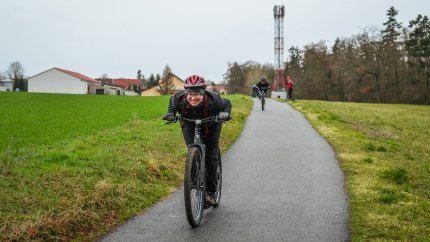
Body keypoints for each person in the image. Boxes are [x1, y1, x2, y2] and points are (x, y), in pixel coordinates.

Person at [162, 74, 232, 205]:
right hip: (188, 123)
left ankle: (211, 192)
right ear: (186, 93)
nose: (193, 98)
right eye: (190, 94)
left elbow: (227, 103)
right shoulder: (178, 99)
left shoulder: (214, 99)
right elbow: (172, 103)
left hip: (212, 124)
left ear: (203, 92)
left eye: (197, 94)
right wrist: (171, 114)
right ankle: (194, 181)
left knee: (211, 156)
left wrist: (225, 114)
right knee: (191, 149)